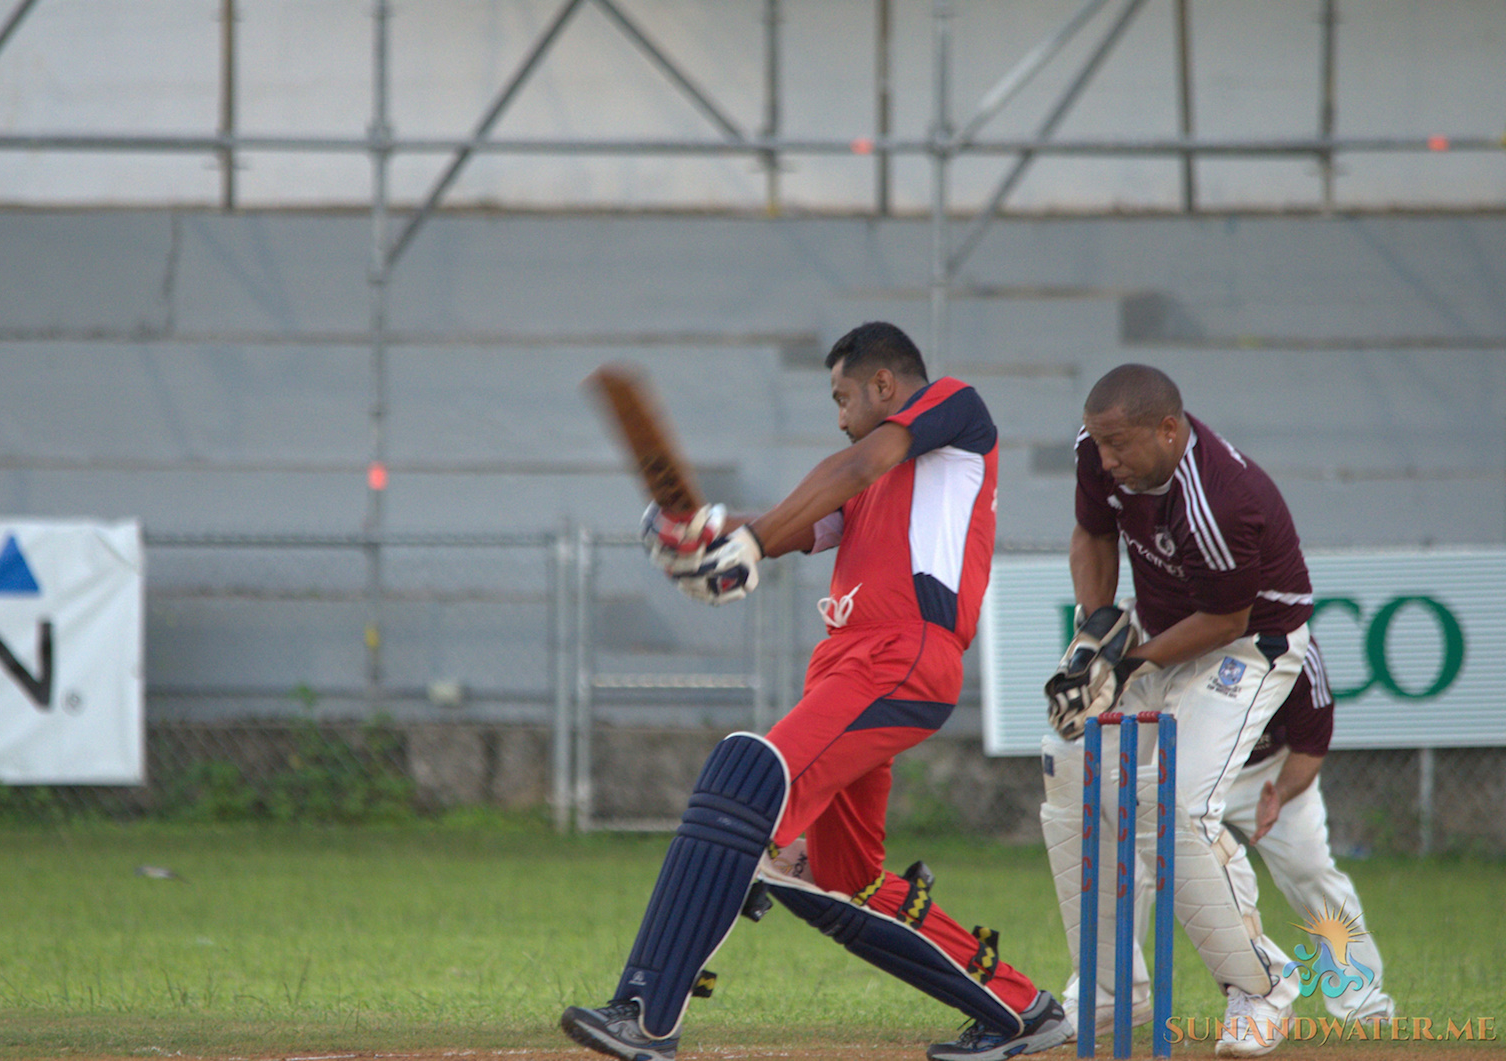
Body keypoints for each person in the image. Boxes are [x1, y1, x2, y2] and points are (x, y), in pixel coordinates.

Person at [560, 322, 1073, 1061]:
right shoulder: (862, 486)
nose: (838, 413)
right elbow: (802, 521)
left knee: (742, 785)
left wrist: (751, 542)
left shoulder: (953, 413)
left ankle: (644, 1011)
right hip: (848, 665)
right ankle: (1022, 1010)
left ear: (886, 386)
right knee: (834, 877)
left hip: (902, 655)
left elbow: (858, 463)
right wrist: (703, 535)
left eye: (843, 396)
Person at [1040, 364, 1313, 1058]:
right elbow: (1093, 534)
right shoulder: (1097, 452)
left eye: (1119, 445)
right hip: (1160, 634)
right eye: (1098, 443)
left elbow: (1225, 617)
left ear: (1168, 429)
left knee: (1180, 805)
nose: (1106, 460)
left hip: (1248, 645)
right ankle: (1108, 992)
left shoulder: (1219, 499)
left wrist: (1128, 663)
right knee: (1070, 765)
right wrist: (1097, 630)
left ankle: (1262, 984)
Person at [1222, 637, 1396, 1026]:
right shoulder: (1188, 629)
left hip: (1270, 772)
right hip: (1194, 771)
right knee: (1138, 869)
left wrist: (1279, 794)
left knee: (1310, 871)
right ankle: (1114, 999)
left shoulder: (1298, 650)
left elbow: (1311, 746)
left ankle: (1363, 1003)